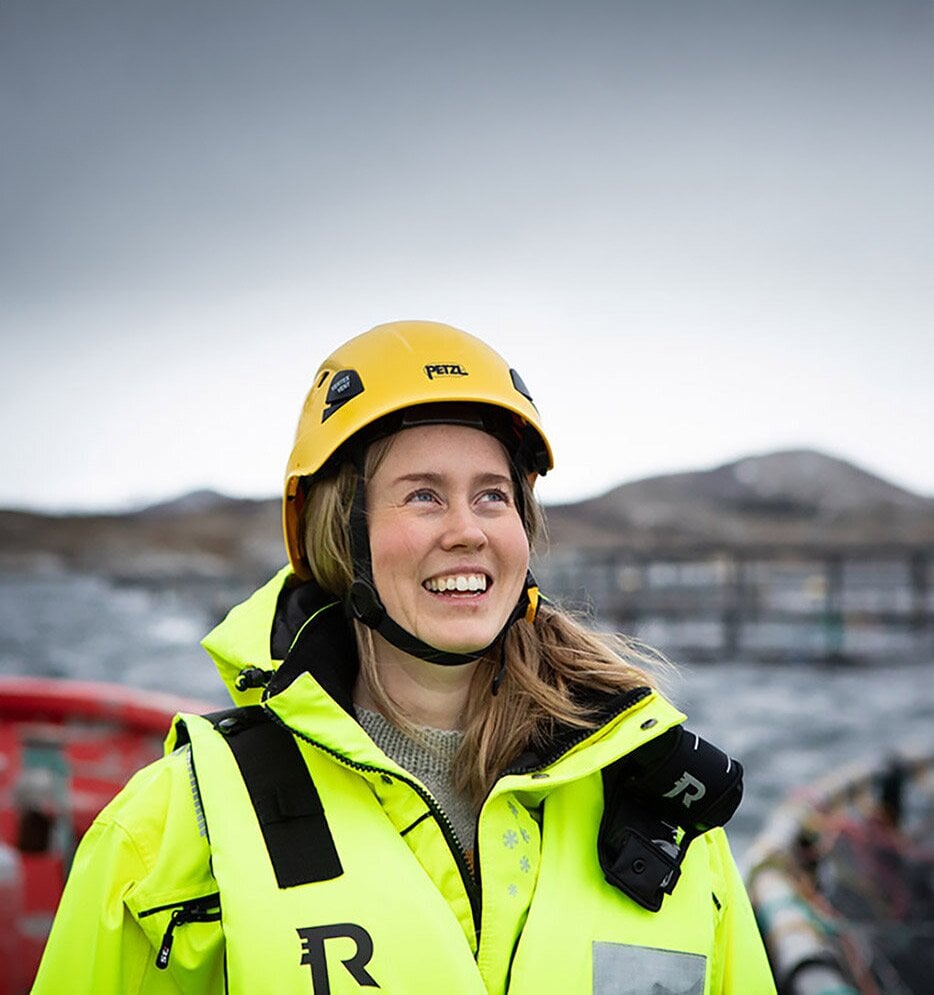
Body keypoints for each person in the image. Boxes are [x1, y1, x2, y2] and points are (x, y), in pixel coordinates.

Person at [33, 320, 776, 993]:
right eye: (423, 495)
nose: (467, 530)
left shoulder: (662, 810)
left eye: (492, 496)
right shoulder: (176, 829)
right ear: (339, 532)